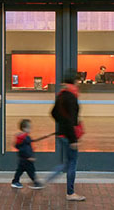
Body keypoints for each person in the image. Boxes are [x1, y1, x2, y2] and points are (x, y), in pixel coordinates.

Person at [45, 71, 85, 202]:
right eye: (78, 80)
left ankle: (43, 181)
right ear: (74, 81)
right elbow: (70, 120)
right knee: (72, 163)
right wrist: (73, 139)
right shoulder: (72, 97)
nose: (79, 83)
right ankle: (70, 192)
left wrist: (61, 125)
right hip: (69, 136)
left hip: (62, 134)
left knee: (67, 163)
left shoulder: (61, 95)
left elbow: (53, 113)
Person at [10, 119, 44, 190]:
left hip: (22, 158)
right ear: (24, 128)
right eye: (29, 128)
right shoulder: (26, 138)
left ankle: (15, 181)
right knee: (31, 171)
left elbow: (18, 146)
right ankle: (36, 182)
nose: (30, 129)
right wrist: (29, 157)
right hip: (26, 159)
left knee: (20, 170)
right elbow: (25, 149)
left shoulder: (21, 137)